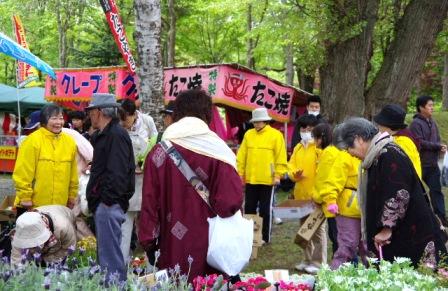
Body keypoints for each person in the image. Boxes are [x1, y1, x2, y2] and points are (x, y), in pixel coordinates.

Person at [139, 89, 243, 282]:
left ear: (177, 113)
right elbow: (229, 203)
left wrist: (148, 241)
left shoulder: (158, 152)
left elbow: (149, 202)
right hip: (212, 244)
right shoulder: (219, 152)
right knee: (210, 284)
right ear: (207, 114)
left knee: (177, 283)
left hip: (171, 244)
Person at [338, 117, 446, 266]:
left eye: (348, 148)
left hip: (407, 232)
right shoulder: (378, 155)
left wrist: (387, 227)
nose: (350, 153)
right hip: (399, 232)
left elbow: (399, 192)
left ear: (359, 139)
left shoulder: (388, 154)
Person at [85, 93, 135, 283]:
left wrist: (105, 201)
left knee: (110, 256)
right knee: (107, 254)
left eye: (91, 111)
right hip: (105, 203)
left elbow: (118, 173)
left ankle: (115, 287)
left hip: (109, 204)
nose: (90, 116)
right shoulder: (106, 134)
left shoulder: (115, 135)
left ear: (99, 112)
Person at [312, 123, 367, 270]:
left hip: (367, 209)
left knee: (368, 249)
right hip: (348, 210)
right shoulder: (342, 157)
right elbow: (331, 180)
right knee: (347, 246)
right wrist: (329, 200)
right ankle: (337, 277)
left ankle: (375, 278)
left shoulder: (369, 154)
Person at [13, 105, 78, 217]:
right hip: (32, 205)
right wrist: (25, 197)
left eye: (61, 118)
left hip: (59, 205)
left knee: (55, 234)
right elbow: (22, 172)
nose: (58, 122)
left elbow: (73, 174)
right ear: (44, 120)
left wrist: (72, 196)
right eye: (54, 118)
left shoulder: (70, 142)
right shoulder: (32, 141)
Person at [237, 107, 287, 243]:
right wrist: (239, 173)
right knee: (249, 208)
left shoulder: (276, 135)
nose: (256, 124)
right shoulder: (248, 135)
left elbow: (281, 158)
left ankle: (265, 237)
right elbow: (241, 156)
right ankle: (251, 237)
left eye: (259, 121)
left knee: (265, 209)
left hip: (268, 180)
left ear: (265, 120)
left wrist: (278, 175)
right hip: (251, 179)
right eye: (254, 121)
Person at [288, 114, 325, 274]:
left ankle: (319, 263)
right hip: (300, 195)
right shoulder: (297, 147)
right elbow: (290, 167)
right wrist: (293, 174)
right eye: (303, 128)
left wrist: (319, 195)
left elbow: (322, 172)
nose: (306, 131)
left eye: (310, 129)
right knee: (304, 229)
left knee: (317, 231)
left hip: (315, 197)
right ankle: (307, 259)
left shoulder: (319, 149)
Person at [118, 101, 150, 263]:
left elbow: (155, 143)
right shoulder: (118, 125)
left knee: (147, 223)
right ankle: (122, 262)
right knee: (125, 223)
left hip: (146, 180)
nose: (124, 124)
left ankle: (150, 262)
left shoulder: (147, 121)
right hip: (127, 181)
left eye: (126, 120)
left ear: (134, 114)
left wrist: (146, 163)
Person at [410, 96, 447, 225]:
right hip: (420, 165)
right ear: (421, 107)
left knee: (436, 191)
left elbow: (437, 139)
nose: (432, 108)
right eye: (429, 105)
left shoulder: (432, 121)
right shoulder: (415, 124)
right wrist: (437, 146)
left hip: (432, 164)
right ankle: (422, 221)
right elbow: (419, 142)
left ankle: (441, 218)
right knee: (419, 194)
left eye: (433, 105)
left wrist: (440, 147)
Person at [11, 205, 76, 266]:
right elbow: (17, 259)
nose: (31, 245)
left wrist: (45, 261)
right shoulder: (22, 226)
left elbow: (67, 249)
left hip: (66, 214)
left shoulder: (64, 227)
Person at [374, 104, 422, 179]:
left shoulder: (403, 142)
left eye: (380, 124)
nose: (378, 127)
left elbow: (404, 170)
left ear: (387, 125)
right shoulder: (395, 138)